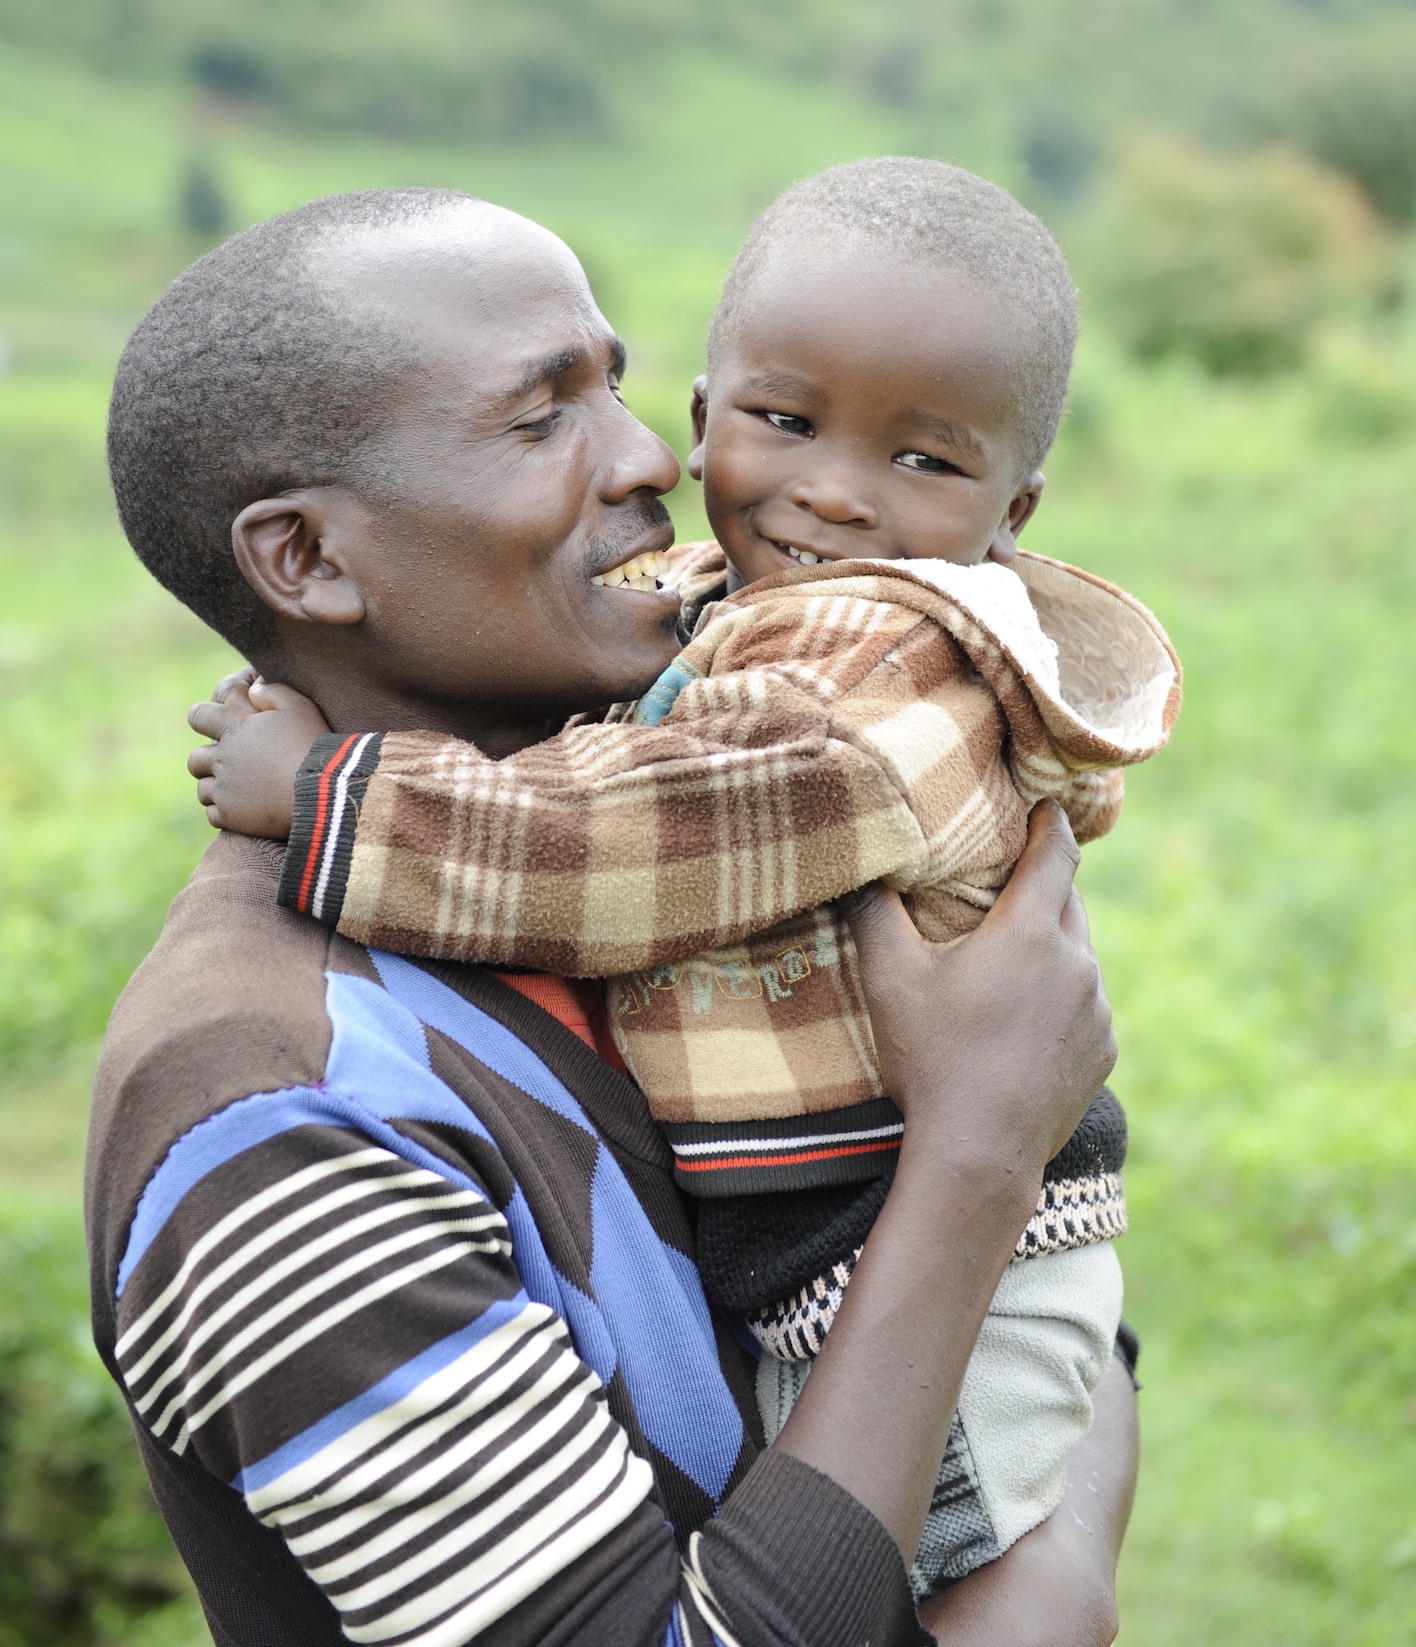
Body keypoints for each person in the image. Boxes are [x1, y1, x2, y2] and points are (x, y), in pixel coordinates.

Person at [91, 184, 1132, 1647]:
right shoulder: (277, 1118)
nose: (657, 457)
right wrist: (977, 1158)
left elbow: (1019, 1344)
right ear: (311, 562)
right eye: (541, 421)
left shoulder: (686, 805)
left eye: (623, 388)